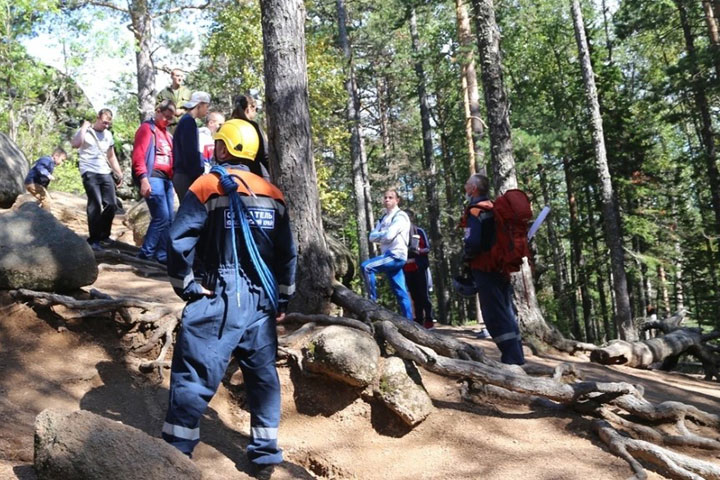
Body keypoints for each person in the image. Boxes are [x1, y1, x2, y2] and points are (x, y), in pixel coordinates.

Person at [162, 118, 297, 480]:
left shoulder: (207, 186)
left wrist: (188, 285)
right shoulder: (273, 193)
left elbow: (178, 241)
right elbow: (287, 254)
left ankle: (176, 454)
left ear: (223, 149)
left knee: (195, 372)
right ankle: (265, 454)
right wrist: (282, 300)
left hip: (220, 295)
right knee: (263, 376)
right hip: (261, 300)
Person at [463, 173, 524, 365]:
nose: (465, 188)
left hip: (485, 266)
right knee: (505, 310)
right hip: (501, 266)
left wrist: (466, 257)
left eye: (467, 184)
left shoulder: (475, 210)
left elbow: (473, 242)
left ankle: (512, 360)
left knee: (494, 314)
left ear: (473, 189)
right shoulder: (493, 207)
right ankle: (516, 356)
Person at [70, 108, 123, 250]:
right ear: (98, 118)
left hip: (105, 172)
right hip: (89, 171)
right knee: (95, 203)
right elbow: (75, 144)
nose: (106, 125)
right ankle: (93, 240)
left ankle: (104, 236)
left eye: (108, 124)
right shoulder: (85, 132)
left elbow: (111, 156)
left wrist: (119, 173)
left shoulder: (108, 135)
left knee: (111, 204)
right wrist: (83, 128)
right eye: (104, 122)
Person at [131, 99, 176, 264]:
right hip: (153, 177)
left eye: (170, 118)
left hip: (167, 180)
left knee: (169, 218)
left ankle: (162, 254)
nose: (168, 120)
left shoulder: (167, 134)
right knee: (161, 216)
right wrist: (143, 179)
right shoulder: (146, 129)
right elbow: (138, 156)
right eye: (165, 116)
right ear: (158, 111)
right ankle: (145, 254)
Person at [361, 190, 413, 320]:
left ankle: (371, 301)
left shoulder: (400, 216)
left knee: (366, 267)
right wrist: (384, 234)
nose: (387, 200)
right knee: (400, 291)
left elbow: (389, 236)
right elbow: (371, 237)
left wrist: (381, 234)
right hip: (389, 255)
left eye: (391, 197)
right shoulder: (384, 217)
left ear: (397, 200)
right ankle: (410, 322)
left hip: (395, 255)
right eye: (385, 197)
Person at [172, 91, 211, 202]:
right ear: (199, 105)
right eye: (206, 106)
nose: (207, 110)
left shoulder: (186, 121)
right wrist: (198, 173)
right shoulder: (188, 122)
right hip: (185, 176)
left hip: (183, 174)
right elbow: (190, 152)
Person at [403, 214, 434, 329]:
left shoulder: (419, 231)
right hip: (407, 268)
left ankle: (429, 319)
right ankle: (419, 320)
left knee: (423, 295)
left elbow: (428, 248)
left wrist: (417, 251)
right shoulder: (401, 233)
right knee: (414, 296)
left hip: (420, 267)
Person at [231, 94, 270, 180]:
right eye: (256, 109)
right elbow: (264, 154)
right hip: (254, 175)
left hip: (231, 175)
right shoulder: (253, 127)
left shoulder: (227, 126)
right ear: (249, 108)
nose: (256, 112)